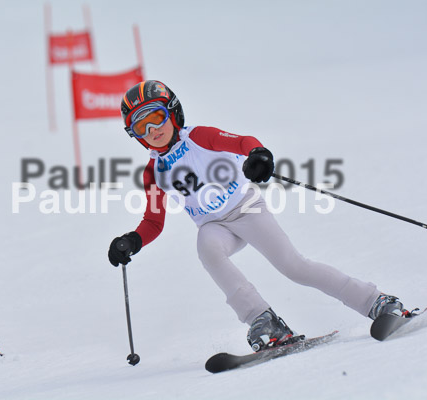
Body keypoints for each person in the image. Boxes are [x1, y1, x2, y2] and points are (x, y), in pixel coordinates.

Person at [108, 80, 408, 351]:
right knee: (207, 247)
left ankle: (377, 302)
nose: (152, 131)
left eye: (156, 118)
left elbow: (243, 141)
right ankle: (263, 321)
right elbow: (153, 222)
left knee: (294, 267)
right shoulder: (154, 172)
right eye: (141, 127)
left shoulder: (198, 137)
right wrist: (132, 241)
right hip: (214, 225)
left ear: (173, 113)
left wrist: (258, 155)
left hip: (245, 208)